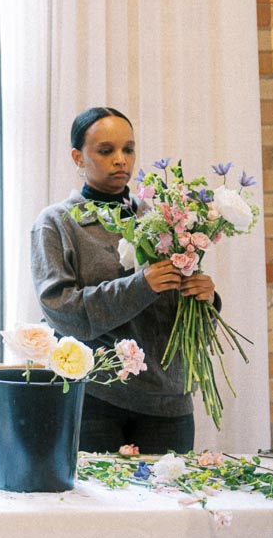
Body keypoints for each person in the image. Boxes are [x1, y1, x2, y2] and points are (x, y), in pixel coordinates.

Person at [30, 107, 215, 454]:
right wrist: (140, 285)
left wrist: (204, 298)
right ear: (77, 157)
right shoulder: (56, 223)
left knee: (170, 505)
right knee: (98, 506)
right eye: (106, 150)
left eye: (128, 149)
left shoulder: (163, 219)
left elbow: (181, 317)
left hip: (169, 402)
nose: (121, 160)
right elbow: (62, 310)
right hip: (95, 397)